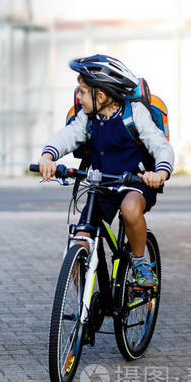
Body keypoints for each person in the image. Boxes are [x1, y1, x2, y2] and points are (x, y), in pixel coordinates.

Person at [38, 54, 174, 287]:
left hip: (137, 182)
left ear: (100, 95)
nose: (78, 97)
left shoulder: (135, 114)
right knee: (80, 237)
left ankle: (140, 261)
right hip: (101, 185)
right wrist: (48, 155)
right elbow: (67, 136)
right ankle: (84, 297)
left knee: (130, 210)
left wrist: (159, 173)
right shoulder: (88, 118)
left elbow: (160, 145)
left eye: (81, 91)